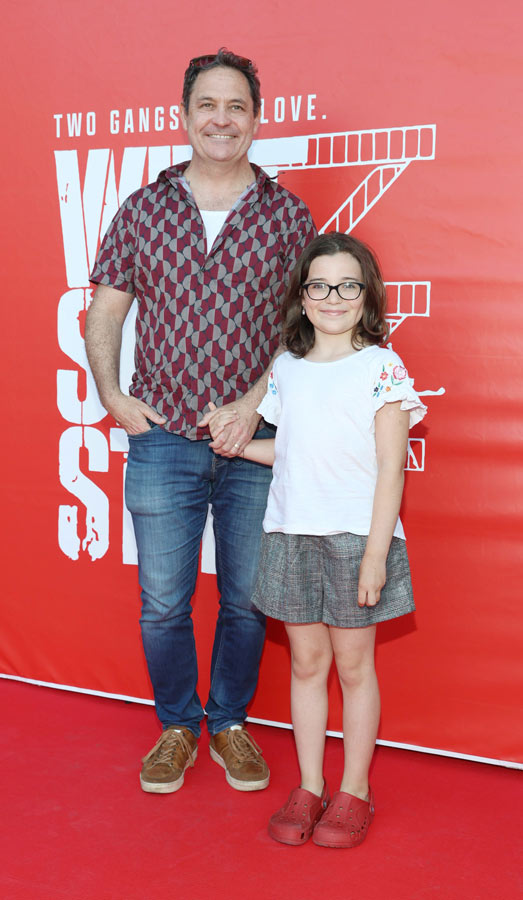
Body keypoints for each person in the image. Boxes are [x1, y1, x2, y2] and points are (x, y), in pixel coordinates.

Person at [85, 48, 316, 795]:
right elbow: (105, 312)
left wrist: (253, 403)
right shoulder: (142, 210)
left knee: (247, 599)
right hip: (162, 439)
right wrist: (112, 395)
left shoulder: (287, 216)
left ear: (257, 119)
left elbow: (304, 329)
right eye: (207, 105)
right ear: (183, 117)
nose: (222, 119)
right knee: (162, 602)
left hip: (256, 442)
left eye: (236, 106)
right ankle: (178, 727)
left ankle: (229, 724)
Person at [202, 232, 426, 846]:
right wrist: (233, 444)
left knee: (353, 667)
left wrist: (376, 555)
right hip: (290, 534)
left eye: (348, 285)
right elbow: (290, 449)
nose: (333, 297)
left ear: (367, 295)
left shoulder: (381, 367)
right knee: (306, 664)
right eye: (320, 285)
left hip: (356, 538)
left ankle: (354, 790)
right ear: (302, 297)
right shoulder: (286, 369)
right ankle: (308, 785)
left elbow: (391, 468)